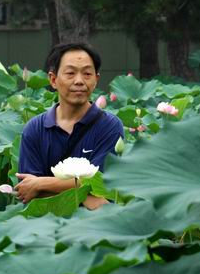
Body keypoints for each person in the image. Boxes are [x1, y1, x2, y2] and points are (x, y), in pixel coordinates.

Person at [15, 42, 124, 207]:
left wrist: (41, 184)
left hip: (95, 227)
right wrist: (85, 193)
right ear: (53, 80)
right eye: (70, 73)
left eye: (87, 73)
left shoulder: (110, 126)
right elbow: (27, 191)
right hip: (44, 226)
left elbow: (102, 186)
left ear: (96, 79)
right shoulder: (34, 129)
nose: (79, 81)